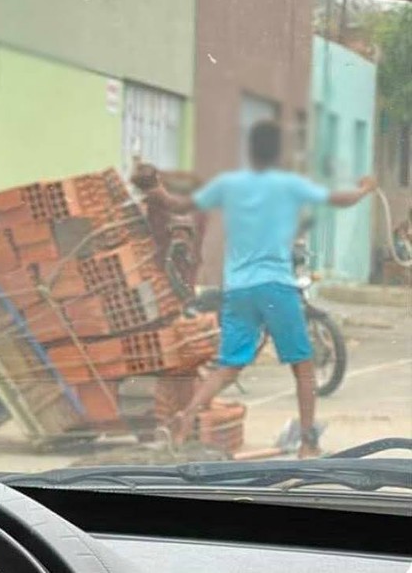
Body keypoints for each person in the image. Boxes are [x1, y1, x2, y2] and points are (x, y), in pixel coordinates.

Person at [143, 120, 377, 458]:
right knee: (304, 367)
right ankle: (308, 443)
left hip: (238, 289)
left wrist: (157, 190)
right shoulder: (288, 184)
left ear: (249, 150)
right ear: (278, 152)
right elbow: (339, 199)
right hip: (275, 287)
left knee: (228, 367)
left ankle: (186, 415)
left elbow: (178, 205)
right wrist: (365, 189)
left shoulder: (229, 184)